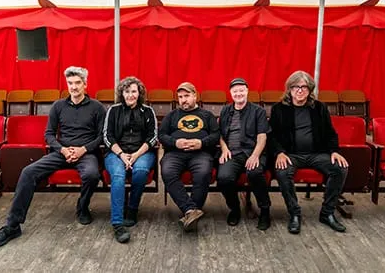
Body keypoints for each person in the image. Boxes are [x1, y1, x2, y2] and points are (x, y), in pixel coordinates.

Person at [0, 66, 106, 248]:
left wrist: (83, 149)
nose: (73, 87)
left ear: (85, 84)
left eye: (77, 83)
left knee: (92, 175)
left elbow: (101, 136)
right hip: (61, 152)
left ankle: (82, 207)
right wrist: (63, 150)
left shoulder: (97, 107)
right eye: (70, 83)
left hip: (86, 153)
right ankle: (12, 226)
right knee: (28, 172)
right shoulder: (58, 106)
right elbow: (49, 135)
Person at [269, 70, 348, 234]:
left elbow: (330, 132)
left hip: (316, 154)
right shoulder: (279, 109)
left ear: (310, 90)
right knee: (283, 173)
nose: (300, 90)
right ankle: (294, 214)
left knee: (340, 168)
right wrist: (279, 153)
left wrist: (334, 151)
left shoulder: (319, 108)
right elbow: (272, 136)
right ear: (289, 89)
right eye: (296, 87)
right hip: (291, 155)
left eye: (304, 87)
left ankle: (327, 213)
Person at [103, 76, 158, 243]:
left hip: (142, 152)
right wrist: (121, 154)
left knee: (141, 171)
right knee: (118, 177)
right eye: (127, 92)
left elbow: (153, 137)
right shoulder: (113, 110)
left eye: (134, 91)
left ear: (139, 93)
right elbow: (107, 136)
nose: (130, 95)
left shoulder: (148, 111)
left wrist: (135, 155)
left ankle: (132, 209)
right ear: (122, 93)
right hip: (116, 153)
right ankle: (118, 223)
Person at [159, 82, 219, 232]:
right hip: (175, 153)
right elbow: (161, 135)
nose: (183, 100)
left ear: (195, 96)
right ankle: (191, 210)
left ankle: (190, 212)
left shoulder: (207, 115)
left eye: (186, 96)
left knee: (203, 173)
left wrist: (201, 143)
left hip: (201, 153)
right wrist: (175, 142)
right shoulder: (171, 116)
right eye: (180, 97)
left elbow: (216, 135)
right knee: (167, 172)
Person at [217, 78, 271, 230]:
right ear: (231, 93)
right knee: (223, 178)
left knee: (255, 173)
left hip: (252, 151)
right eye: (235, 91)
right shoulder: (226, 110)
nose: (238, 93)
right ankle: (234, 209)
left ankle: (265, 210)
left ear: (247, 91)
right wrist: (224, 149)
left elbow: (262, 136)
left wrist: (255, 156)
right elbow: (219, 134)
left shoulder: (258, 111)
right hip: (232, 153)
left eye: (241, 90)